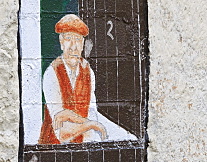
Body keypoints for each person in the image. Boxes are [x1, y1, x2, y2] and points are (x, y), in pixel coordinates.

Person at [38, 13, 135, 145]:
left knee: (129, 139)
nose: (73, 46)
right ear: (61, 43)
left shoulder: (87, 71)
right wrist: (90, 125)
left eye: (77, 39)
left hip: (83, 144)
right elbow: (62, 133)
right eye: (68, 39)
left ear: (83, 43)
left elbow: (91, 112)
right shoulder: (52, 73)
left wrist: (122, 134)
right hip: (54, 150)